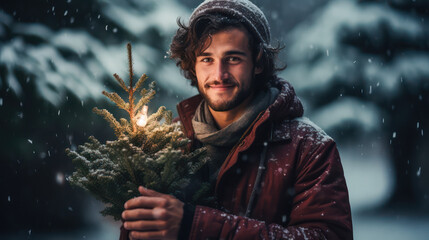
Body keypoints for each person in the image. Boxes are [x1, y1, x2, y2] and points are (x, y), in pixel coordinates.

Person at [120, 0, 353, 239]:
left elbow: (327, 236)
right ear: (193, 65)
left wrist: (194, 224)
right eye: (207, 59)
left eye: (232, 58)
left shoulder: (309, 147)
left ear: (258, 62)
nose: (219, 74)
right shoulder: (167, 142)